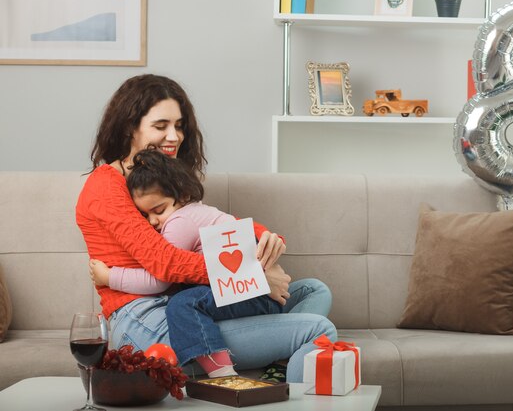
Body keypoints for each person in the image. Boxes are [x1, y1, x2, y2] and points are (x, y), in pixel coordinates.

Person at [75, 74, 337, 382]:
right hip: (146, 322)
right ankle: (282, 379)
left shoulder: (161, 180)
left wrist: (265, 237)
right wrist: (253, 273)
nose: (174, 136)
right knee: (319, 329)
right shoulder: (106, 186)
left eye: (179, 125)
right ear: (130, 127)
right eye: (161, 126)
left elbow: (208, 223)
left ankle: (278, 361)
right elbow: (166, 263)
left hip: (188, 305)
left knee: (311, 290)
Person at [89, 148, 284, 378]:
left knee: (183, 305)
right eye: (146, 216)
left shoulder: (179, 221)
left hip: (250, 291)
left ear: (180, 196)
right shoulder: (198, 210)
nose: (153, 222)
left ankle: (222, 374)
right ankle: (278, 354)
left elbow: (159, 280)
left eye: (158, 210)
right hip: (254, 292)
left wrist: (110, 277)